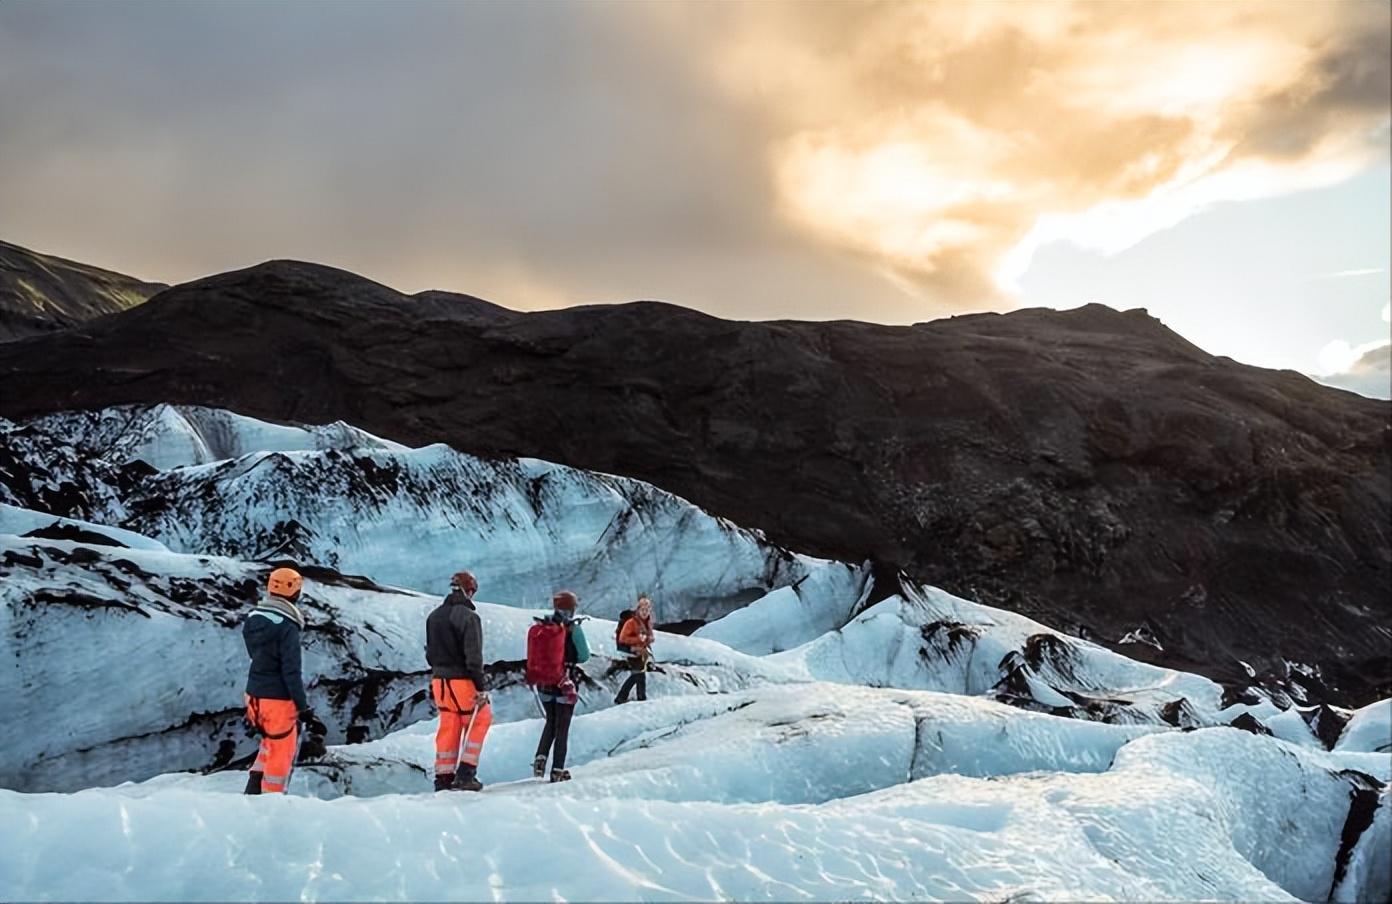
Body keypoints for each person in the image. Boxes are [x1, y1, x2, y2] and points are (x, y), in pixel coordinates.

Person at [242, 566, 325, 795]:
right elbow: (290, 672)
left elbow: (255, 655)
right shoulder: (287, 627)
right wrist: (303, 707)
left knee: (268, 744)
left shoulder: (253, 618)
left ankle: (252, 792)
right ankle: (271, 806)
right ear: (294, 591)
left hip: (253, 696)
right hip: (278, 700)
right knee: (279, 756)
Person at [425, 570, 493, 791]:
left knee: (449, 724)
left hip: (439, 681)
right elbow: (474, 657)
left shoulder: (434, 616)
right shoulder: (469, 617)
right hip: (461, 681)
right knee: (480, 718)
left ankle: (444, 777)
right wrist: (480, 687)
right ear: (469, 591)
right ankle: (466, 773)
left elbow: (429, 653)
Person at [531, 591, 590, 783]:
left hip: (544, 685)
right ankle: (557, 770)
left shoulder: (544, 626)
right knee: (562, 727)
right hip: (565, 683)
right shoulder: (573, 629)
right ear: (572, 608)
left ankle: (540, 758)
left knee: (551, 721)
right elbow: (583, 656)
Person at [614, 595, 655, 705]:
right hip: (631, 651)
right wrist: (638, 639)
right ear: (638, 610)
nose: (645, 612)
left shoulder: (647, 622)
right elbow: (623, 638)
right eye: (643, 609)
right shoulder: (631, 623)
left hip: (640, 651)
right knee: (639, 674)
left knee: (637, 675)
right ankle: (641, 699)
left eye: (647, 609)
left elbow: (647, 636)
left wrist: (649, 639)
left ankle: (622, 698)